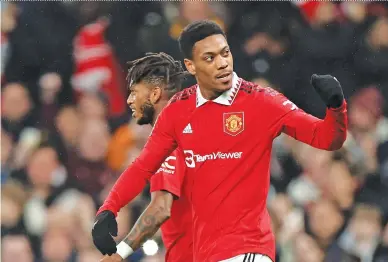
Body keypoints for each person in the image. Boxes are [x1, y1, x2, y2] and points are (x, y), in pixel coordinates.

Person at [93, 20, 348, 262]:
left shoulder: (261, 101)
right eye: (210, 58)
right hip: (207, 254)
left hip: (249, 248)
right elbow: (143, 167)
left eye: (225, 53)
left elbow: (326, 138)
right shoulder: (178, 111)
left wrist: (336, 108)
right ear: (191, 66)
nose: (223, 63)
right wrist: (109, 208)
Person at [93, 52, 192, 262]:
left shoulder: (173, 138)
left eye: (134, 92)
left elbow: (161, 209)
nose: (129, 100)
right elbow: (139, 170)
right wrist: (109, 207)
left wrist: (120, 254)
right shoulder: (188, 126)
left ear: (155, 94)